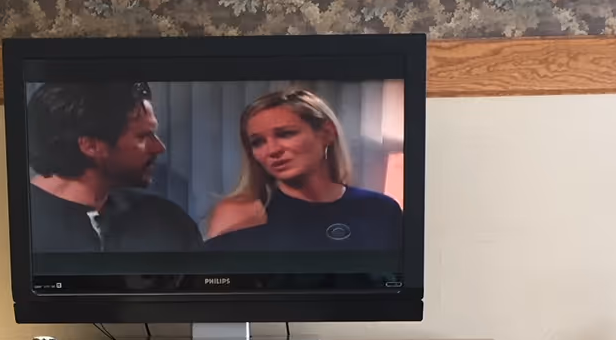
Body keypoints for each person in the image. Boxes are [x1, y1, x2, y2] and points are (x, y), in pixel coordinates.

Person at [204, 88, 403, 252]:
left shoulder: (380, 209)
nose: (272, 150)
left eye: (286, 134)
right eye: (258, 142)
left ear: (327, 133)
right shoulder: (238, 213)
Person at [26, 81, 201, 252]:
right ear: (91, 146)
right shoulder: (19, 225)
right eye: (142, 137)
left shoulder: (167, 223)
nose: (159, 148)